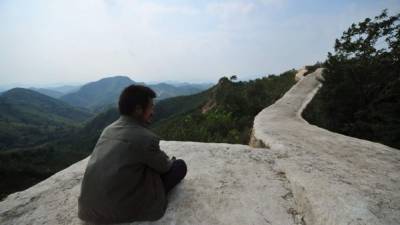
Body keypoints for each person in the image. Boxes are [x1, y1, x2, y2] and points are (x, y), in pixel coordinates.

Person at [77, 85, 187, 224]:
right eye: (151, 107)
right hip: (118, 211)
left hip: (87, 210)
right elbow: (164, 167)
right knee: (179, 166)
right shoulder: (146, 138)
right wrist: (169, 160)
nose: (153, 112)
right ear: (138, 110)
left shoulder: (108, 130)